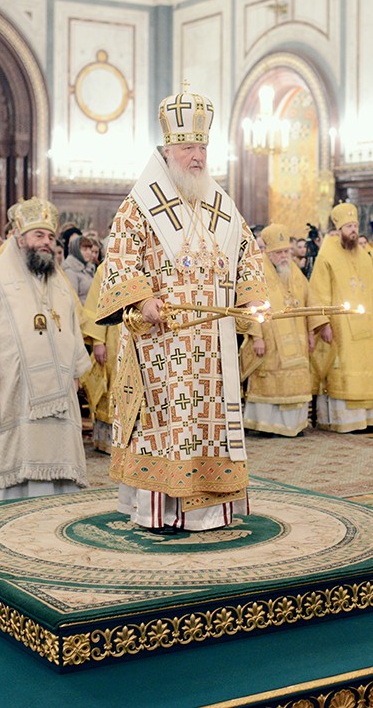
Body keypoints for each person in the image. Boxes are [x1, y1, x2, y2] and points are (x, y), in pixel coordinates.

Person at [94, 83, 265, 533]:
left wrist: (250, 296)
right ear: (168, 149)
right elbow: (120, 256)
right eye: (188, 147)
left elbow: (248, 251)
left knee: (210, 424)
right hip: (163, 342)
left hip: (213, 343)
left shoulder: (219, 203)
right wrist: (141, 298)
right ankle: (160, 510)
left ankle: (209, 512)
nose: (197, 157)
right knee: (167, 424)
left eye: (202, 148)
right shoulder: (140, 204)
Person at [0, 198, 90, 502]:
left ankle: (53, 506)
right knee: (15, 450)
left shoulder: (59, 282)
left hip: (58, 388)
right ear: (19, 237)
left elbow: (73, 327)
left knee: (55, 449)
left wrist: (75, 371)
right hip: (11, 384)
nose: (46, 242)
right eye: (38, 235)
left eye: (50, 237)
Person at [308, 202, 373, 432]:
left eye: (355, 225)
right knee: (344, 370)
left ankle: (369, 419)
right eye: (348, 226)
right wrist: (324, 323)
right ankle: (346, 421)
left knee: (368, 370)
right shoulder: (327, 255)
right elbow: (318, 292)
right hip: (341, 327)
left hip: (365, 326)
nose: (353, 230)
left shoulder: (365, 256)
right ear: (339, 230)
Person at [241, 223, 317, 437]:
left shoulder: (293, 270)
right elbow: (250, 304)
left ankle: (295, 425)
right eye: (279, 253)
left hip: (297, 338)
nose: (284, 256)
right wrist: (256, 337)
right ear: (268, 252)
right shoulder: (257, 270)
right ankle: (267, 425)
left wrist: (311, 332)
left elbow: (309, 299)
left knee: (296, 380)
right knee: (271, 381)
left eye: (286, 251)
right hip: (270, 338)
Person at [80, 247, 119, 453]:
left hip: (140, 337)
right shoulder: (106, 269)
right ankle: (108, 441)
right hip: (112, 336)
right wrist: (98, 342)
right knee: (111, 383)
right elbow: (95, 306)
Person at [62, 233, 97, 304]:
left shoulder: (89, 268)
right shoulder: (70, 271)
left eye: (90, 249)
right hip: (82, 309)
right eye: (84, 250)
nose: (89, 252)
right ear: (76, 251)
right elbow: (72, 299)